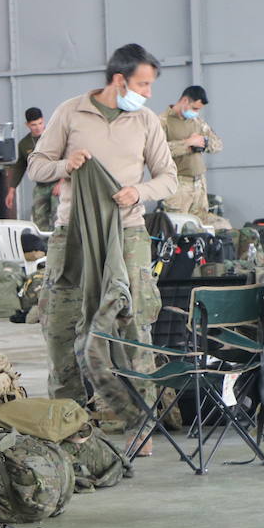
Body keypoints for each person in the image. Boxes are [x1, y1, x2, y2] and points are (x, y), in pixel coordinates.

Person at [27, 44, 177, 437]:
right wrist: (65, 165)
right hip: (72, 234)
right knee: (61, 326)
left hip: (127, 233)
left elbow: (169, 177)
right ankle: (67, 425)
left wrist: (139, 192)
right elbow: (36, 168)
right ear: (118, 79)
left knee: (133, 326)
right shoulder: (71, 112)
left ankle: (136, 423)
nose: (147, 93)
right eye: (143, 84)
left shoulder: (146, 121)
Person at [159, 85, 225, 226]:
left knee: (204, 226)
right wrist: (187, 144)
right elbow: (157, 151)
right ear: (184, 100)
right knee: (178, 227)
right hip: (177, 185)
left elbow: (218, 144)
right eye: (194, 108)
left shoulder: (197, 122)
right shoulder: (162, 121)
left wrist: (203, 142)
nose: (196, 112)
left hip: (199, 184)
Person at [4, 107, 57, 232]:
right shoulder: (25, 144)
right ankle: (45, 248)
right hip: (41, 185)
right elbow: (20, 166)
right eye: (34, 125)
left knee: (59, 217)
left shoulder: (54, 137)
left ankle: (62, 249)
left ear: (43, 121)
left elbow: (66, 159)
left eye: (40, 123)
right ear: (27, 125)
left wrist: (62, 182)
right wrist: (11, 190)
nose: (38, 127)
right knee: (39, 218)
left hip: (58, 183)